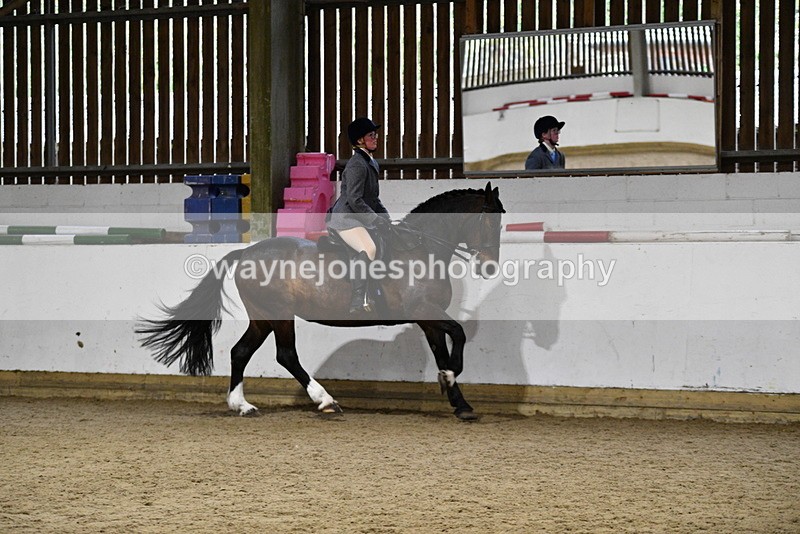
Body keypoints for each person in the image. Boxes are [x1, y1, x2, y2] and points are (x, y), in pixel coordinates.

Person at [327, 117, 391, 314]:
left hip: (358, 216)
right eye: (371, 135)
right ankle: (358, 301)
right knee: (369, 248)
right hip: (345, 217)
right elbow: (355, 199)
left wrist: (385, 218)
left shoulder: (372, 163)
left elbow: (372, 198)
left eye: (375, 134)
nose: (376, 138)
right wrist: (374, 219)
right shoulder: (357, 164)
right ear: (360, 140)